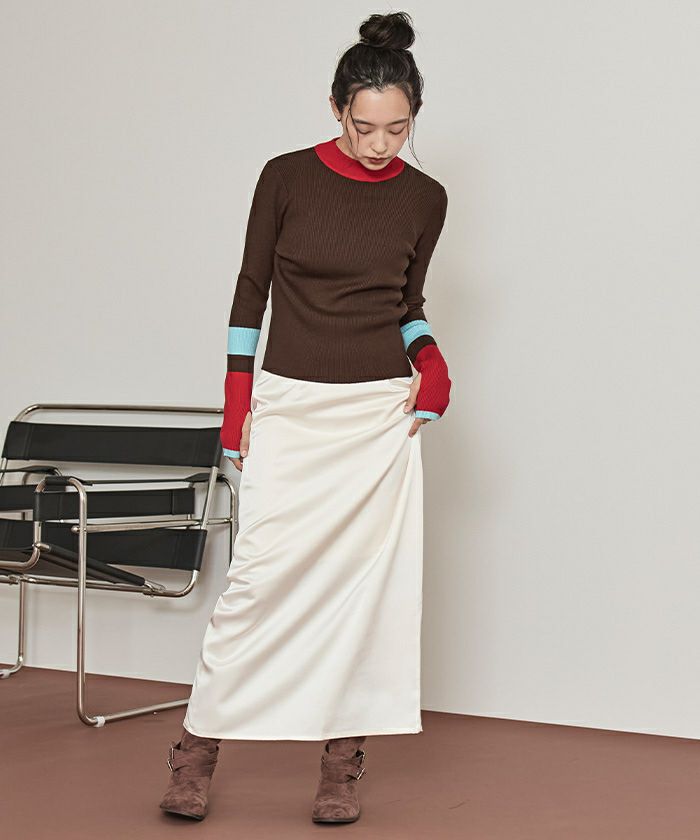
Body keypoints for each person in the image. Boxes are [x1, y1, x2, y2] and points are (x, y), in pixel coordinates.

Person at [159, 10, 452, 824]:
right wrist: (238, 403)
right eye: (364, 126)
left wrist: (431, 363)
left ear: (414, 119)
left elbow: (408, 304)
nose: (380, 144)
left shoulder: (427, 198)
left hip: (377, 416)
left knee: (367, 590)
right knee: (257, 582)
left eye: (398, 129)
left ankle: (341, 765)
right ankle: (195, 752)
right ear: (336, 109)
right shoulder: (285, 177)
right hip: (290, 402)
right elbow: (250, 292)